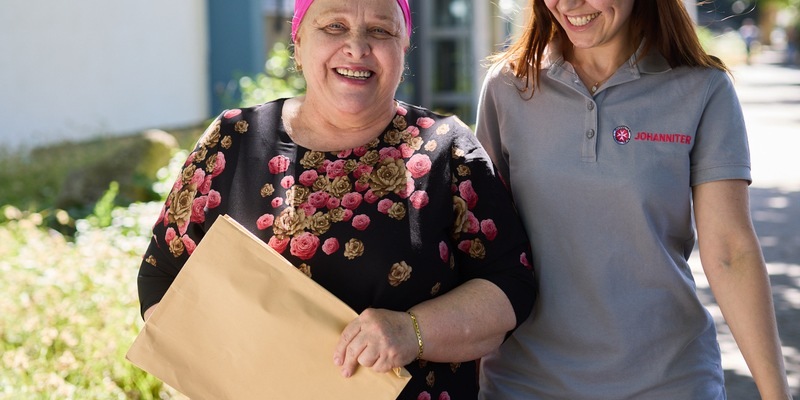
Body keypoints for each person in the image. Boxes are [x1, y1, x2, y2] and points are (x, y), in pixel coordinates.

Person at [136, 0, 536, 398]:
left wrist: (413, 330)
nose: (357, 48)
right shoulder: (233, 140)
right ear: (298, 43)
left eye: (380, 31)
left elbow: (510, 285)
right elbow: (163, 278)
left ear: (403, 47)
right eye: (334, 27)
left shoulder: (445, 150)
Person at [475, 1, 793, 399]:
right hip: (525, 382)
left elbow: (730, 251)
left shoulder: (702, 87)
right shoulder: (508, 86)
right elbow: (480, 247)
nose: (570, 5)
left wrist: (776, 393)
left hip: (669, 381)